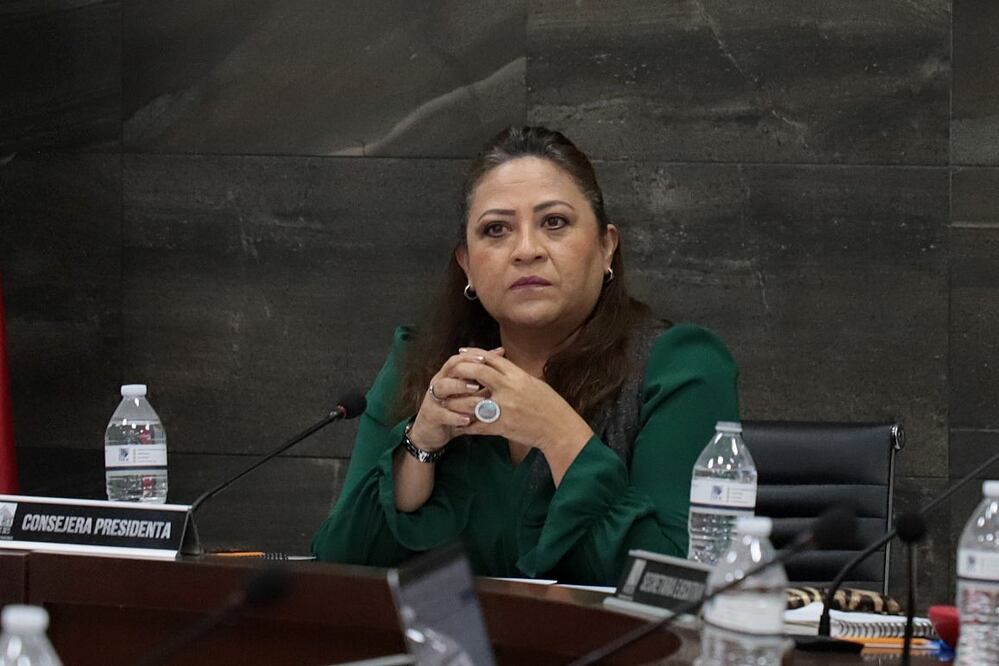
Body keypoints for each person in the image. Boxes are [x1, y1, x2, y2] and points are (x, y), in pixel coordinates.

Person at [312, 126, 739, 584]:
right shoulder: (423, 363)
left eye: (554, 222)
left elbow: (679, 584)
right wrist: (421, 444)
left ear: (606, 246)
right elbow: (338, 565)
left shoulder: (681, 367)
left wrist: (558, 435)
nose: (527, 251)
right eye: (496, 230)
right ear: (467, 264)